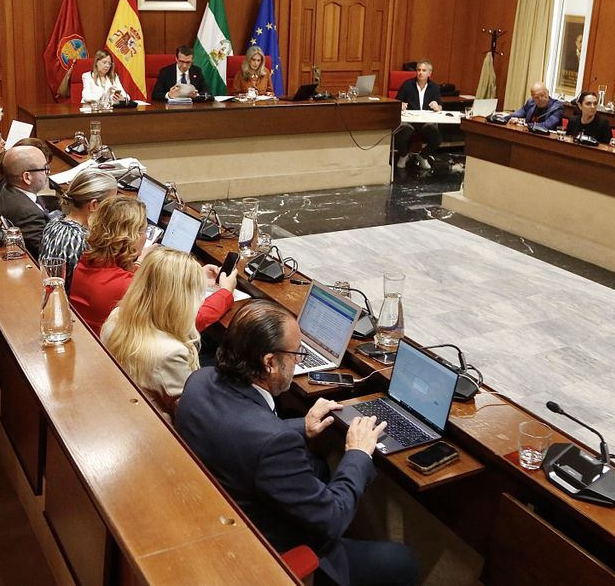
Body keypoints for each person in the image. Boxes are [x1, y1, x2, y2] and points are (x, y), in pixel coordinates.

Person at [175, 300, 419, 586]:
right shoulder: (273, 443)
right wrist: (357, 454)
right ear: (269, 363)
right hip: (266, 549)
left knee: (317, 467)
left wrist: (300, 426)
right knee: (403, 561)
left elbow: (241, 431)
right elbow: (331, 518)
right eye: (295, 354)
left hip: (217, 509)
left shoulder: (199, 381)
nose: (299, 362)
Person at [70, 196, 234, 335]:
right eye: (143, 231)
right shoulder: (127, 287)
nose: (145, 237)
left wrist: (194, 276)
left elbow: (124, 279)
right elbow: (189, 323)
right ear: (130, 238)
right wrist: (225, 292)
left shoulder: (86, 262)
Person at [101, 247, 213, 415]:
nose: (201, 299)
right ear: (179, 300)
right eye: (197, 292)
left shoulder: (116, 317)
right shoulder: (171, 353)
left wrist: (193, 276)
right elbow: (194, 415)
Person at [39, 168, 117, 289]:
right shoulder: (86, 242)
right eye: (112, 203)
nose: (113, 209)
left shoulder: (53, 223)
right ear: (94, 205)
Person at [0, 145, 50, 258]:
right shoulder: (29, 214)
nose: (48, 172)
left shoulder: (7, 189)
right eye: (45, 169)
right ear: (27, 177)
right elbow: (48, 254)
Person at [392, 60, 444, 170]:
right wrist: (401, 105)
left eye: (424, 70)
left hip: (425, 121)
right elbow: (397, 102)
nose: (420, 73)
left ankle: (423, 156)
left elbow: (440, 106)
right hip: (409, 120)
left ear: (429, 73)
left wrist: (437, 107)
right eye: (418, 70)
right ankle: (403, 156)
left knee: (437, 138)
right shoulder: (407, 84)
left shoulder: (434, 87)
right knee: (401, 135)